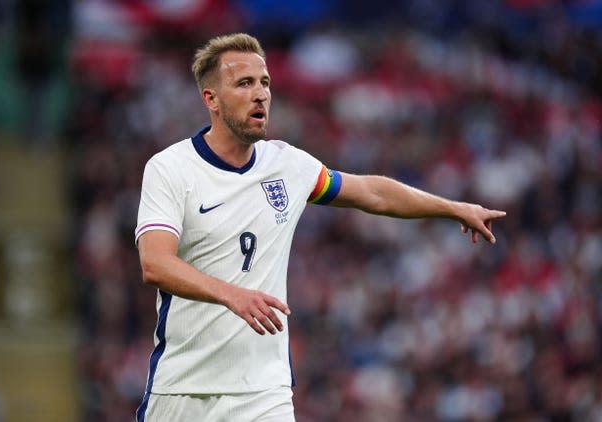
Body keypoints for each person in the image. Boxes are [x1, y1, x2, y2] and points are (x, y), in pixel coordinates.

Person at [134, 33, 506, 422]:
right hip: (182, 388)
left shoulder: (287, 166)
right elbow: (155, 264)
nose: (260, 94)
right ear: (211, 98)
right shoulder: (171, 168)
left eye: (265, 83)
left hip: (263, 391)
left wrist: (452, 208)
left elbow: (372, 193)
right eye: (244, 83)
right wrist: (232, 295)